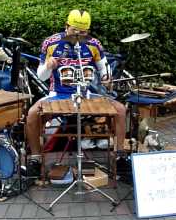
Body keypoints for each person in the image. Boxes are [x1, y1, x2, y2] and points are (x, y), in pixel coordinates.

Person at [26, 9, 126, 159]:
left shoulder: (94, 44)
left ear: (88, 31)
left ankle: (119, 155)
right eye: (74, 31)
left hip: (85, 95)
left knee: (120, 110)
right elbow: (41, 77)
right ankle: (35, 158)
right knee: (32, 115)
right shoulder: (51, 43)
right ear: (66, 26)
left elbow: (104, 69)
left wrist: (107, 79)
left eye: (83, 32)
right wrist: (48, 66)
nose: (77, 36)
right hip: (58, 95)